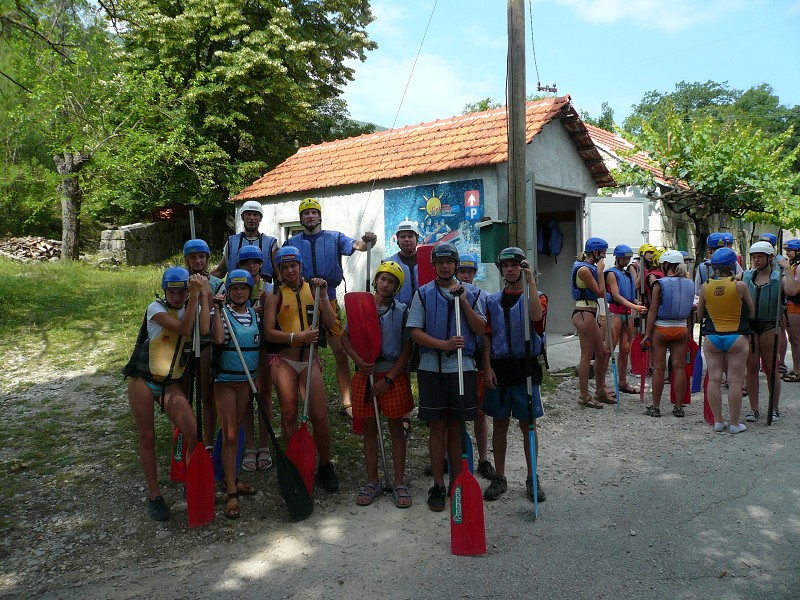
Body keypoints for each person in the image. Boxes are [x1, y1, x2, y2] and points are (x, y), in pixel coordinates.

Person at [122, 267, 211, 521]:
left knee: (193, 433)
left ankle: (191, 484)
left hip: (170, 384)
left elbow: (204, 329)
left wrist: (204, 295)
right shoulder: (155, 309)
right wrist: (194, 297)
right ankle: (155, 495)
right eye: (172, 292)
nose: (177, 297)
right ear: (164, 292)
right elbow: (184, 328)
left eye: (182, 292)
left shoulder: (191, 304)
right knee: (147, 437)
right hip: (143, 380)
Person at [407, 243, 486, 512]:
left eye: (449, 262)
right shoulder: (423, 294)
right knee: (437, 426)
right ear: (433, 265)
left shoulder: (472, 294)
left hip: (462, 369)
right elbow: (415, 332)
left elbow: (480, 328)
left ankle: (457, 482)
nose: (444, 266)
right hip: (432, 368)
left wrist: (462, 301)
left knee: (456, 426)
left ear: (455, 265)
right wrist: (443, 345)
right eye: (439, 262)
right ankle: (438, 485)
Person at [285, 197, 378, 419]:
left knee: (340, 351)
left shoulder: (335, 237)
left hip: (330, 299)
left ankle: (347, 402)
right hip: (304, 300)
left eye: (313, 212)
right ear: (301, 218)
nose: (310, 216)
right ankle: (307, 400)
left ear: (319, 216)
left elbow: (358, 246)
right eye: (306, 213)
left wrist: (369, 241)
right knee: (306, 352)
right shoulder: (291, 243)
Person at [262, 246, 340, 491]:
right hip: (284, 361)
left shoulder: (314, 290)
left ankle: (325, 465)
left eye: (293, 266)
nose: (289, 271)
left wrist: (324, 295)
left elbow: (331, 323)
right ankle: (295, 464)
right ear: (279, 270)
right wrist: (297, 337)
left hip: (309, 360)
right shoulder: (275, 294)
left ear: (300, 266)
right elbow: (268, 332)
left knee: (319, 416)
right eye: (284, 267)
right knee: (288, 415)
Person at [340, 261, 415, 508]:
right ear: (376, 281)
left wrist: (390, 378)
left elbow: (407, 349)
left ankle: (399, 481)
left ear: (397, 287)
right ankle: (372, 481)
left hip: (392, 374)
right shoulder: (362, 307)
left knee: (396, 429)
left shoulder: (402, 311)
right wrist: (359, 361)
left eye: (391, 282)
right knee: (369, 430)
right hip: (366, 372)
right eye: (382, 279)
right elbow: (345, 337)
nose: (385, 284)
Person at [481, 248, 546, 503]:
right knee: (500, 424)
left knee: (528, 424)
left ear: (523, 267)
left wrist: (531, 282)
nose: (510, 269)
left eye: (515, 265)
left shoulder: (537, 297)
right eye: (505, 265)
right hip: (500, 368)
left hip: (525, 368)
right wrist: (487, 367)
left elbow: (536, 317)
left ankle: (532, 477)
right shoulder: (492, 301)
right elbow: (487, 336)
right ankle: (500, 476)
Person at [211, 269, 261, 518]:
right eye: (234, 289)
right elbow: (219, 340)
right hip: (226, 383)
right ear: (228, 291)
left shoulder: (254, 315)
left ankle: (231, 477)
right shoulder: (222, 314)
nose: (239, 292)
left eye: (243, 288)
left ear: (249, 291)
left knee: (237, 430)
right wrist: (217, 310)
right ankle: (231, 490)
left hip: (246, 382)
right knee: (230, 434)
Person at [696, 248, 754, 433]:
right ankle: (735, 424)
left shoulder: (705, 286)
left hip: (712, 337)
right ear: (732, 266)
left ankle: (718, 422)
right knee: (735, 381)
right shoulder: (740, 286)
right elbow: (752, 312)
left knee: (714, 379)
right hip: (736, 337)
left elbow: (700, 314)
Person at [743, 241, 795, 422]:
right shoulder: (746, 276)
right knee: (751, 367)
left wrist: (787, 268)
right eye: (754, 257)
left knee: (771, 368)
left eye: (760, 257)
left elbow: (792, 290)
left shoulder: (779, 276)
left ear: (770, 258)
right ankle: (754, 409)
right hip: (750, 326)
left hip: (770, 326)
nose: (756, 260)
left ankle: (774, 408)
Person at [641, 250, 695, 418]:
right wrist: (689, 331)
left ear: (665, 265)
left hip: (661, 329)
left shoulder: (659, 284)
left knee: (659, 368)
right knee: (679, 367)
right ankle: (678, 407)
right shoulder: (690, 283)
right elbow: (690, 311)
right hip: (681, 329)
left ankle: (655, 407)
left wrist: (647, 333)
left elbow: (653, 310)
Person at [234, 245, 274, 472]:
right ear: (240, 265)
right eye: (246, 262)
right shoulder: (235, 287)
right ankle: (250, 445)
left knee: (264, 395)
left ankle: (264, 445)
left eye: (255, 262)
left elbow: (277, 318)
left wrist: (267, 304)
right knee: (246, 397)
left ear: (261, 264)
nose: (251, 266)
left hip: (263, 347)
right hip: (242, 349)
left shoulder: (269, 288)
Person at [456, 253, 495, 479]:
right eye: (462, 271)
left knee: (480, 413)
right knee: (452, 414)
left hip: (477, 360)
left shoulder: (484, 297)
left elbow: (487, 333)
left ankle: (483, 459)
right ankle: (449, 457)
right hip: (453, 360)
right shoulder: (444, 295)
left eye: (469, 272)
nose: (466, 276)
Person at [182, 239, 223, 447]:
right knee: (184, 396)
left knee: (207, 395)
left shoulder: (216, 284)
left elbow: (217, 315)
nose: (197, 261)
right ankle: (185, 439)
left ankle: (208, 441)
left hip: (206, 343)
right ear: (187, 259)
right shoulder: (179, 279)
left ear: (207, 258)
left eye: (201, 257)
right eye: (193, 257)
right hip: (184, 343)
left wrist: (205, 291)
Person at [571, 237, 610, 409]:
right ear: (595, 252)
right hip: (583, 314)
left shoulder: (588, 267)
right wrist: (600, 272)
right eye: (603, 253)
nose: (604, 256)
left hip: (589, 313)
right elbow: (600, 292)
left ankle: (600, 390)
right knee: (587, 355)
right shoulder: (585, 270)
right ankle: (583, 395)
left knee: (602, 353)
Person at [604, 244, 647, 395]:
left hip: (628, 313)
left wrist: (635, 302)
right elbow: (616, 296)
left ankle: (622, 382)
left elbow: (629, 294)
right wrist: (635, 307)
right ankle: (602, 386)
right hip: (615, 313)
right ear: (617, 257)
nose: (627, 260)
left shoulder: (628, 274)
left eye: (629, 258)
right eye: (624, 258)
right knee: (609, 350)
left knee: (625, 349)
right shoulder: (611, 273)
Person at [211, 200, 279, 282]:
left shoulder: (270, 243)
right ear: (242, 217)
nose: (252, 218)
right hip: (236, 289)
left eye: (255, 215)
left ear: (260, 218)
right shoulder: (231, 242)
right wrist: (202, 278)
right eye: (248, 214)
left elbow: (278, 274)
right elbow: (220, 271)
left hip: (263, 289)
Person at [386, 220, 420, 307]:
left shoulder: (428, 262)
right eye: (402, 237)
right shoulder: (388, 263)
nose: (406, 239)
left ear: (417, 238)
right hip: (397, 312)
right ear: (397, 240)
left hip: (425, 311)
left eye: (410, 236)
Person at [781, 239, 800, 383]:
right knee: (793, 339)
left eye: (789, 250)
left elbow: (794, 290)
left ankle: (798, 371)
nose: (787, 253)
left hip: (795, 306)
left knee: (796, 339)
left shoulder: (797, 267)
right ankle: (796, 369)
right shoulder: (793, 265)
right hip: (791, 306)